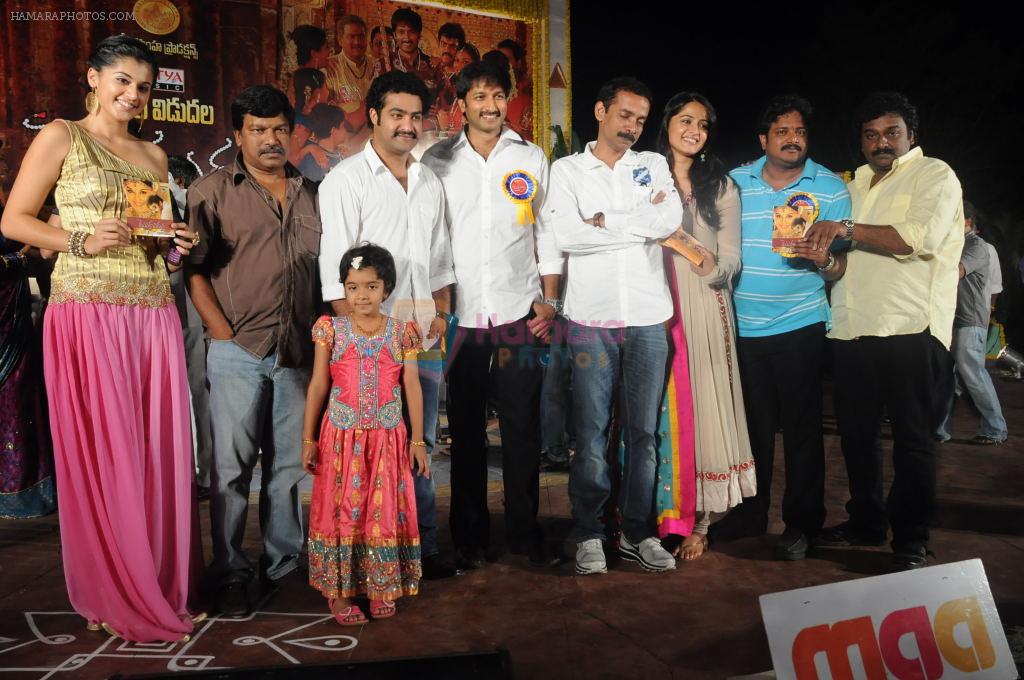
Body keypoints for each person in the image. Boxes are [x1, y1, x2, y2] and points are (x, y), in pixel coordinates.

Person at [0, 34, 203, 641]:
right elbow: (13, 220)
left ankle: (158, 581)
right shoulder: (61, 135)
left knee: (154, 452)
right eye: (121, 80)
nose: (132, 94)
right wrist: (81, 241)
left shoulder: (154, 157)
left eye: (142, 86)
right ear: (93, 78)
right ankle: (113, 587)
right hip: (86, 312)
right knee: (104, 451)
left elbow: (152, 242)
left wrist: (174, 247)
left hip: (151, 313)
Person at [804, 92, 965, 570]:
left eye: (891, 133)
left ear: (911, 136)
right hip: (852, 327)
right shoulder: (850, 186)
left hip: (911, 326)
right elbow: (840, 265)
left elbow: (915, 238)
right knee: (856, 437)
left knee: (914, 440)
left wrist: (844, 228)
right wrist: (824, 258)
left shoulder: (934, 174)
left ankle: (912, 537)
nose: (881, 143)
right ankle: (867, 521)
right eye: (871, 135)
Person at [186, 85, 322, 615]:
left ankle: (283, 562)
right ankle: (229, 567)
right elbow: (193, 270)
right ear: (238, 134)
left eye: (279, 129)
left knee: (288, 466)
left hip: (298, 352)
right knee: (231, 468)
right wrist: (220, 331)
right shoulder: (211, 191)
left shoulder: (315, 193)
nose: (270, 140)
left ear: (292, 131)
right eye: (258, 130)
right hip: (238, 349)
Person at [422, 60, 563, 568]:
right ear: (461, 104)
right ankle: (469, 537)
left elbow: (544, 229)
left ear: (510, 99)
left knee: (523, 428)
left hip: (516, 314)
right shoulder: (437, 160)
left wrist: (549, 298)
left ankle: (525, 535)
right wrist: (441, 308)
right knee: (464, 430)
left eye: (498, 95)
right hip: (462, 317)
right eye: (479, 96)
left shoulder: (530, 157)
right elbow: (434, 239)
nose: (490, 106)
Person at [318, 70, 458, 580]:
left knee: (419, 443)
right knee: (370, 451)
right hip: (371, 344)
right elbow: (338, 277)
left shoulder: (429, 181)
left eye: (414, 116)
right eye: (396, 114)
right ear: (373, 116)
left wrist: (441, 314)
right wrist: (358, 348)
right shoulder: (345, 180)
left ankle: (422, 547)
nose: (407, 125)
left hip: (423, 335)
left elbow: (440, 261)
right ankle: (363, 555)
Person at [546, 77, 682, 575]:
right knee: (590, 432)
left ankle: (638, 532)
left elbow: (668, 219)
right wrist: (632, 223)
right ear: (601, 111)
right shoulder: (566, 170)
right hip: (590, 318)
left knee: (644, 434)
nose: (633, 127)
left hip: (648, 316)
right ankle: (588, 532)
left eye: (641, 120)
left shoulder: (652, 165)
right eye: (625, 115)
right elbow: (565, 233)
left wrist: (605, 221)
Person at [711, 95, 851, 561]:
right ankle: (750, 514)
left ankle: (802, 524)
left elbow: (839, 270)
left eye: (801, 132)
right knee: (751, 431)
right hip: (742, 328)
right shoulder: (734, 183)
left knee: (802, 431)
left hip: (800, 325)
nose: (793, 139)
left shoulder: (829, 187)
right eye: (783, 131)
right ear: (763, 139)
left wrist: (825, 259)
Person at [654, 91, 757, 561]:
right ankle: (656, 513)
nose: (693, 130)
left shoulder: (721, 185)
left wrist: (711, 269)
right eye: (685, 120)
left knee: (704, 403)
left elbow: (733, 255)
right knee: (655, 409)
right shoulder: (643, 174)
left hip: (702, 301)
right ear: (668, 124)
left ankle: (700, 522)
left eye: (702, 124)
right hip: (650, 304)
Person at [302, 244, 426, 625]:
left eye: (371, 287)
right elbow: (319, 383)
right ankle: (339, 595)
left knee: (382, 511)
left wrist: (418, 440)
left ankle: (380, 585)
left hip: (387, 439)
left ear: (386, 289)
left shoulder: (402, 332)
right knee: (342, 513)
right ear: (343, 288)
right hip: (340, 438)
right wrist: (309, 438)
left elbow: (413, 385)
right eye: (352, 287)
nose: (361, 296)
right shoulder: (330, 329)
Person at [936, 201, 1008, 444]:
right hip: (950, 320)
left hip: (969, 321)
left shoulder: (977, 246)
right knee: (946, 378)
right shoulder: (955, 244)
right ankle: (939, 429)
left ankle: (996, 429)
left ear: (968, 222)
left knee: (973, 375)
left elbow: (954, 272)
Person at [0, 219, 57, 519]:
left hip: (12, 318)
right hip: (7, 320)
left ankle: (23, 491)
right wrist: (22, 257)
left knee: (18, 400)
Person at [167, 155, 212, 499]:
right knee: (194, 389)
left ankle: (193, 475)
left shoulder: (191, 204)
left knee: (188, 389)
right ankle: (198, 474)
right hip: (180, 305)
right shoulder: (186, 201)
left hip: (183, 302)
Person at [324, 15, 371, 153]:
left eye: (361, 36)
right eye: (351, 36)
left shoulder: (376, 66)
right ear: (340, 40)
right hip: (341, 144)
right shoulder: (330, 67)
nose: (357, 42)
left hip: (371, 140)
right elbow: (328, 113)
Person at [373, 7, 442, 100]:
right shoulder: (382, 65)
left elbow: (445, 101)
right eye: (401, 32)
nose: (407, 37)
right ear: (395, 35)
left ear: (419, 35)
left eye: (412, 32)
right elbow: (374, 100)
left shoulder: (432, 66)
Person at [288, 68, 329, 166]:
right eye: (325, 87)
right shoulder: (301, 124)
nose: (328, 91)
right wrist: (310, 149)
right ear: (317, 93)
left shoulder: (310, 118)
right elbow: (290, 161)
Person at [296, 103, 346, 182]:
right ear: (333, 131)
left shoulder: (339, 154)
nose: (345, 131)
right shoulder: (316, 162)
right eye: (343, 126)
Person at [433, 22, 466, 137]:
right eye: (444, 44)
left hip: (451, 134)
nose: (447, 49)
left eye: (452, 46)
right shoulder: (430, 69)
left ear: (460, 49)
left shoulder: (463, 79)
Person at [497, 39, 532, 140]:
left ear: (518, 63)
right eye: (500, 60)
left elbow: (529, 140)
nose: (502, 64)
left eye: (507, 59)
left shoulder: (526, 98)